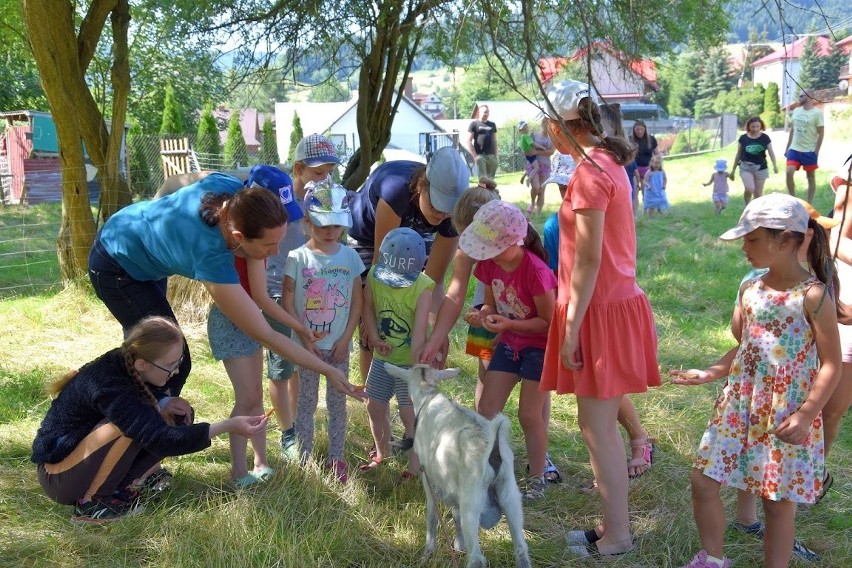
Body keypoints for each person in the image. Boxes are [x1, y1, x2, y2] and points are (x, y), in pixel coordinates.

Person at [87, 173, 364, 411]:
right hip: (116, 262)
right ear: (240, 238)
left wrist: (156, 223)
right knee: (164, 357)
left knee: (158, 355)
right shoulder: (212, 258)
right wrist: (326, 369)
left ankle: (151, 423)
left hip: (143, 255)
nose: (277, 253)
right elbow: (265, 333)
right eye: (269, 246)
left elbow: (174, 180)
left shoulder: (235, 192)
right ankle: (139, 428)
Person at [671, 193, 841, 568]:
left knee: (777, 504)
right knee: (703, 482)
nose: (744, 248)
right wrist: (711, 372)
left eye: (751, 239)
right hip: (739, 404)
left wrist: (809, 412)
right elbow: (748, 347)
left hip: (787, 411)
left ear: (784, 240)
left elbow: (831, 364)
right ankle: (712, 560)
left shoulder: (813, 296)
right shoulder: (750, 288)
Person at [540, 80, 661, 558]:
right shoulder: (607, 163)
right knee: (599, 422)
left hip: (598, 312)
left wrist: (570, 329)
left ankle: (617, 537)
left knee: (597, 428)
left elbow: (588, 260)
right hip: (608, 305)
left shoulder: (590, 172)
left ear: (561, 127)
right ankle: (611, 525)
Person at [31, 316, 270, 523]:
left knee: (176, 415)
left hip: (80, 464)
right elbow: (159, 439)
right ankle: (93, 503)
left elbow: (143, 397)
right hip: (58, 476)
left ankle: (120, 487)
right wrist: (227, 426)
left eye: (177, 364)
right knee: (124, 428)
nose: (175, 372)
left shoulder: (128, 362)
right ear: (142, 364)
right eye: (169, 366)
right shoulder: (108, 383)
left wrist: (165, 403)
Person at [206, 165, 319, 488]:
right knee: (248, 397)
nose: (275, 250)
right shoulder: (229, 243)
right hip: (231, 322)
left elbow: (261, 298)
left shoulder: (258, 247)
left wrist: (297, 325)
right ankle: (238, 471)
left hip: (252, 317)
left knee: (255, 397)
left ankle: (261, 461)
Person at [460, 200, 557, 499]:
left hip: (539, 349)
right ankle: (492, 470)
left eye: (494, 250)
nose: (489, 257)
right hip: (508, 343)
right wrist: (484, 314)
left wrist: (508, 325)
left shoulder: (536, 272)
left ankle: (537, 477)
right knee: (486, 409)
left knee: (530, 415)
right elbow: (490, 301)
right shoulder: (490, 264)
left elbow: (548, 322)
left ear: (516, 241)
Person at [348, 145, 469, 379]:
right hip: (368, 238)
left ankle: (408, 388)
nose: (441, 214)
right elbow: (379, 267)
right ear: (422, 186)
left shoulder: (450, 216)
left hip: (412, 238)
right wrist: (370, 315)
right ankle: (374, 396)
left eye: (448, 209)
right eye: (436, 205)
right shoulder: (396, 191)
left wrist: (435, 333)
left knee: (412, 312)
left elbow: (433, 281)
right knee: (376, 326)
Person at [261, 134, 342, 463]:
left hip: (310, 293)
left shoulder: (321, 200)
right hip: (276, 290)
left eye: (329, 172)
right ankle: (288, 431)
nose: (325, 179)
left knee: (300, 358)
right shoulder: (275, 200)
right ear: (298, 169)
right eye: (319, 172)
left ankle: (296, 421)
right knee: (282, 364)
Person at [282, 180, 364, 483]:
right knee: (305, 402)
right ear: (307, 221)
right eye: (322, 225)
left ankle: (336, 458)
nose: (330, 232)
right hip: (306, 348)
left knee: (337, 403)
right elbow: (288, 302)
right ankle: (304, 456)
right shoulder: (297, 258)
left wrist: (345, 339)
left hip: (338, 348)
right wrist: (303, 336)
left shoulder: (350, 257)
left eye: (336, 226)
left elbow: (357, 302)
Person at [360, 228, 434, 479]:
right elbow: (367, 308)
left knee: (409, 414)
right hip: (382, 359)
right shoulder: (374, 275)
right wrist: (374, 337)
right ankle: (382, 453)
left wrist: (416, 372)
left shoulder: (423, 287)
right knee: (375, 407)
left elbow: (421, 331)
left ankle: (415, 465)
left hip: (409, 363)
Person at [785, 89, 825, 203]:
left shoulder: (817, 113)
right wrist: (787, 147)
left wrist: (816, 151)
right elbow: (792, 130)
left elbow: (821, 133)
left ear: (809, 96)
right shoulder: (796, 111)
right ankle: (793, 200)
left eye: (802, 96)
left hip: (809, 151)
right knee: (789, 172)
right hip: (794, 149)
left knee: (810, 177)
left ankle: (809, 203)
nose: (799, 98)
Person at [729, 116, 778, 205]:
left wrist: (775, 165)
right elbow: (738, 154)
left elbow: (771, 152)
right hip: (746, 167)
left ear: (761, 126)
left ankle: (756, 212)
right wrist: (733, 170)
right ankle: (747, 205)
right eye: (753, 127)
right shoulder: (743, 138)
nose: (755, 129)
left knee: (758, 194)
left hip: (761, 168)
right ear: (749, 126)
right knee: (749, 188)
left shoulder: (765, 138)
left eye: (757, 127)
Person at [629, 119, 659, 208]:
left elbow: (657, 154)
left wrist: (659, 167)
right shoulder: (629, 139)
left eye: (641, 129)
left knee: (646, 192)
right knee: (634, 192)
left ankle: (648, 212)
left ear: (645, 129)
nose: (639, 131)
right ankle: (635, 214)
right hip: (634, 170)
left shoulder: (651, 139)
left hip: (648, 170)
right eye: (637, 129)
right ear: (634, 130)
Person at [467, 104, 498, 178]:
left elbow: (494, 141)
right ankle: (482, 189)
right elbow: (468, 141)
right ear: (479, 112)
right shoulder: (474, 124)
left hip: (491, 156)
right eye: (484, 112)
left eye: (487, 112)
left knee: (490, 180)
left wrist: (496, 156)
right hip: (480, 155)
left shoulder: (492, 124)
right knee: (483, 179)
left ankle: (489, 190)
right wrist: (475, 156)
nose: (486, 114)